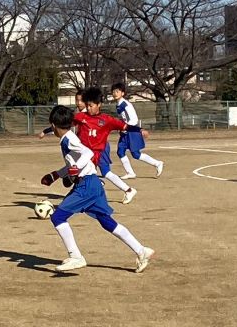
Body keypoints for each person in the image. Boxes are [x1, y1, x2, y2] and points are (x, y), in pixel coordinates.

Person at [40, 105, 154, 272]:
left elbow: (88, 154)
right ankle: (141, 251)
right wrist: (56, 175)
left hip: (86, 185)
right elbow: (75, 163)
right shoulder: (68, 137)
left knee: (58, 217)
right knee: (107, 222)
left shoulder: (69, 140)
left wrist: (74, 168)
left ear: (53, 125)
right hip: (91, 182)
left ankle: (76, 257)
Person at [39, 88, 138, 204]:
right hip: (87, 150)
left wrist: (139, 130)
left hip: (98, 150)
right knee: (84, 172)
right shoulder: (81, 116)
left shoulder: (100, 117)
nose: (78, 103)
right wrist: (46, 131)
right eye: (77, 100)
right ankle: (98, 185)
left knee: (100, 172)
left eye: (81, 101)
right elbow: (62, 123)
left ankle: (125, 189)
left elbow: (122, 126)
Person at [111, 82, 164, 179]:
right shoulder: (119, 105)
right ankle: (130, 173)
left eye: (117, 91)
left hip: (131, 131)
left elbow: (133, 119)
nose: (115, 93)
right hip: (125, 132)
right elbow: (123, 119)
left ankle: (157, 163)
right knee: (120, 151)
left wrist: (138, 129)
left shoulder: (124, 104)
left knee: (135, 154)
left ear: (122, 93)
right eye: (113, 91)